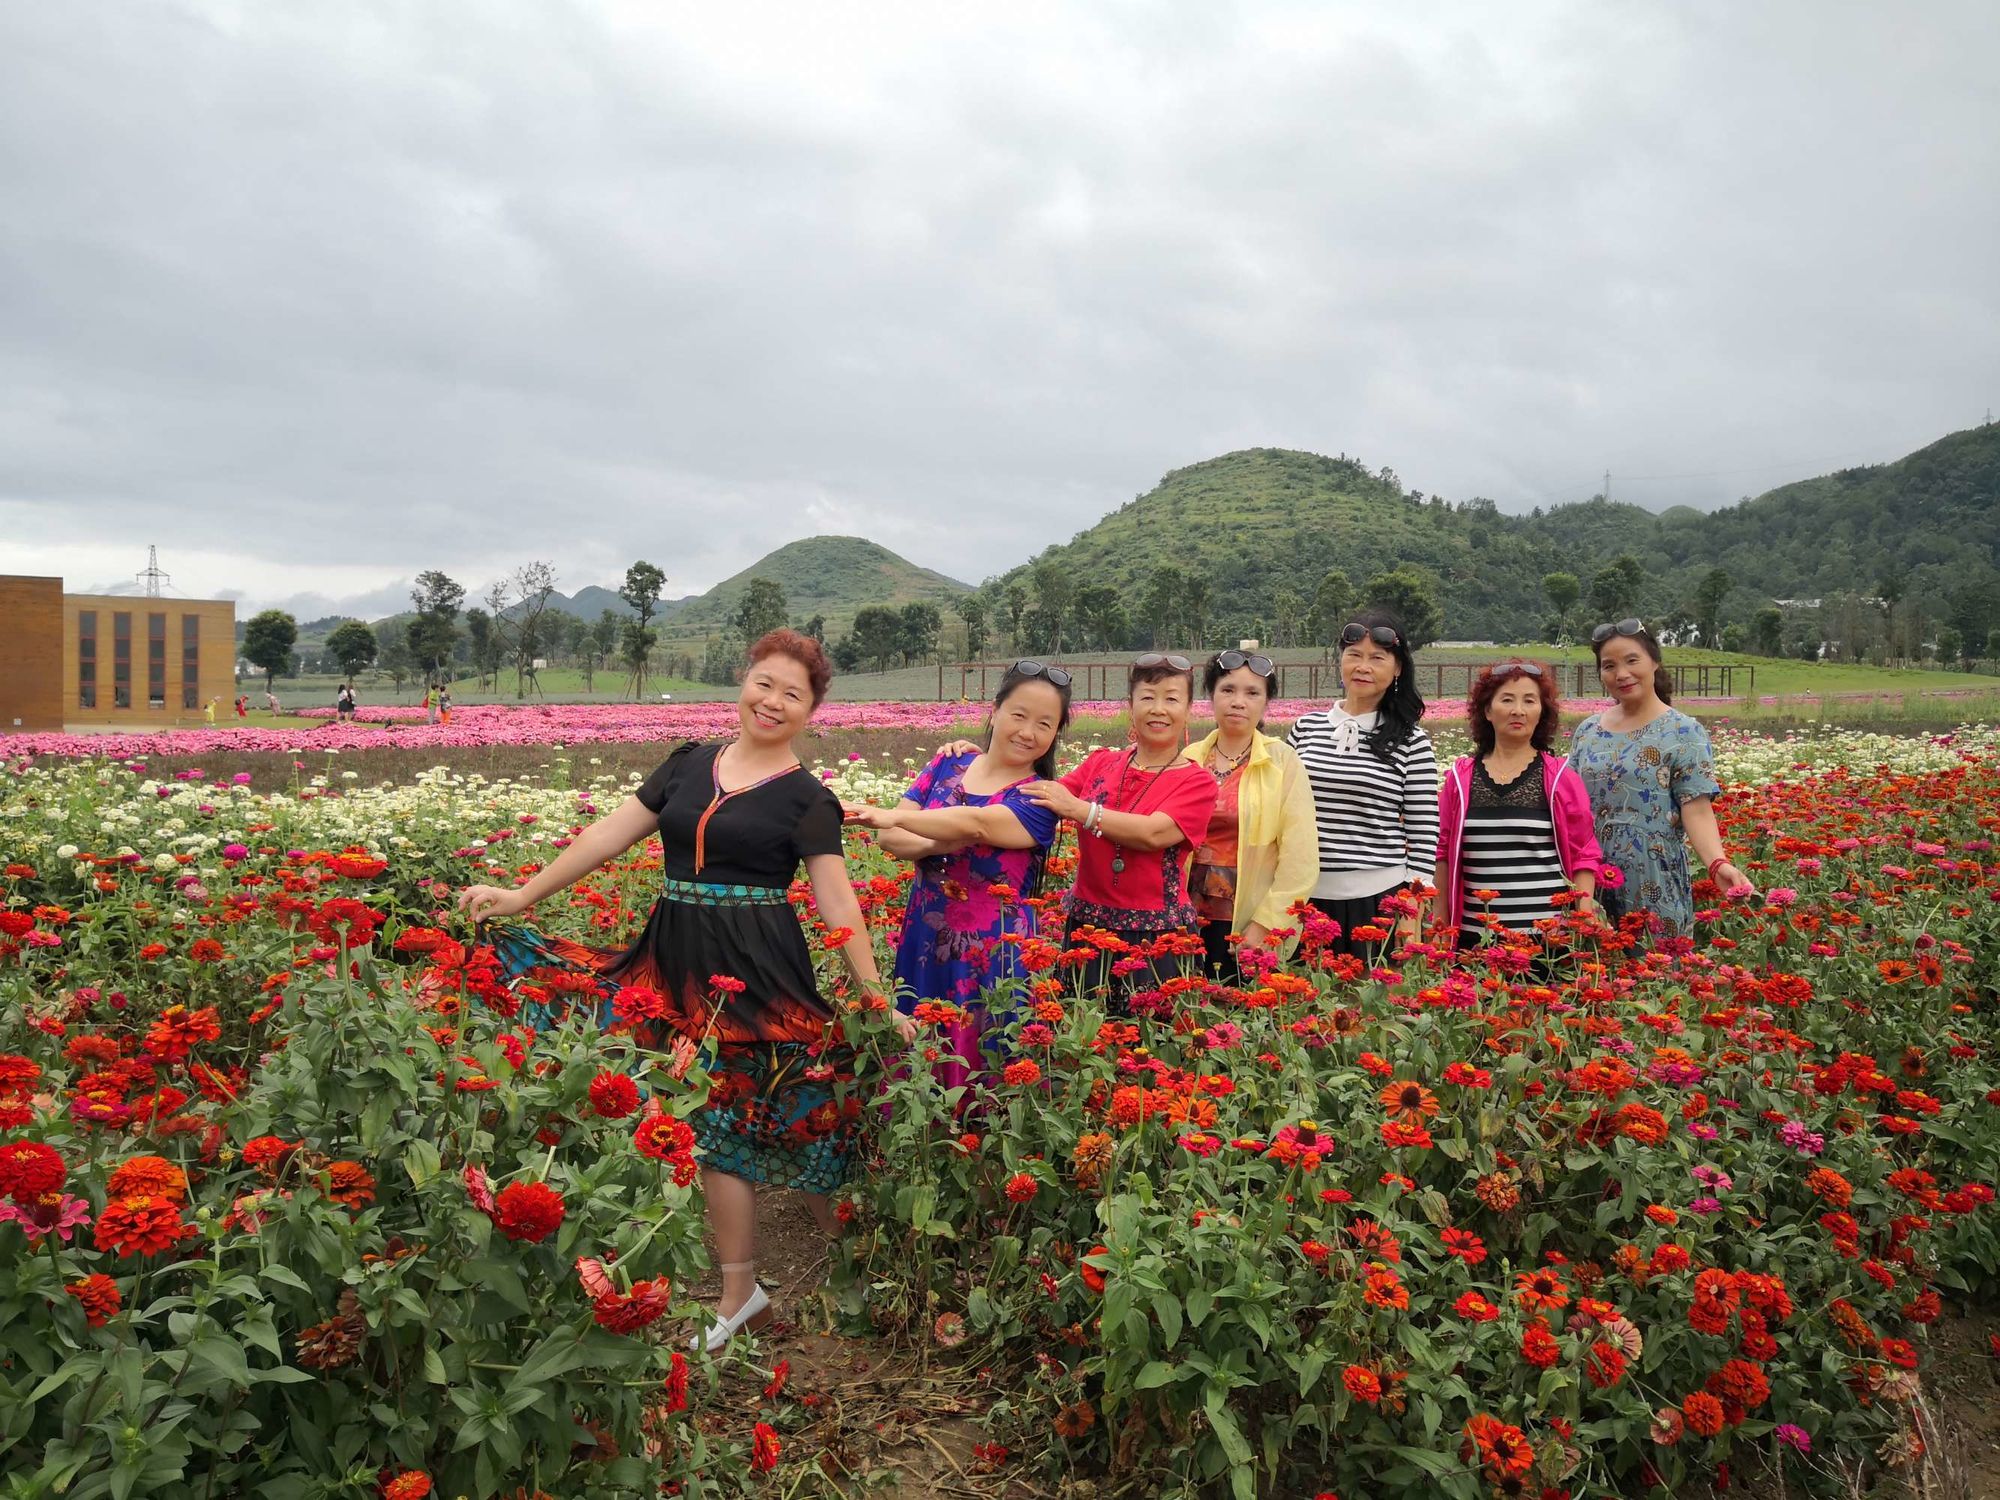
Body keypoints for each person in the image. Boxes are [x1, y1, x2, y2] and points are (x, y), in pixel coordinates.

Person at [456, 629, 901, 1352]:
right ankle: (741, 1292)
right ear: (743, 680)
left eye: (793, 693)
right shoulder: (689, 766)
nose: (772, 701)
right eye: (765, 682)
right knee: (715, 1127)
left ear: (812, 710)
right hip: (676, 957)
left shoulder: (808, 800)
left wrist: (874, 995)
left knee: (804, 1110)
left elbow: (837, 901)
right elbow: (607, 836)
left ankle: (864, 1266)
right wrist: (522, 895)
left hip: (761, 969)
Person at [842, 662, 1070, 1091]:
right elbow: (893, 840)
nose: (1027, 732)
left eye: (1045, 724)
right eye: (1018, 715)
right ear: (995, 711)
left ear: (1056, 733)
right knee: (921, 1062)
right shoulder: (950, 762)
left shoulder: (1039, 798)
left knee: (988, 1068)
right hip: (926, 942)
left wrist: (908, 820)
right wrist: (940, 840)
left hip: (993, 959)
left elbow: (979, 823)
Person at [1020, 653, 1219, 996]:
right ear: (1131, 706)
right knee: (1081, 1040)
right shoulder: (1101, 763)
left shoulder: (1197, 782)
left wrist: (1081, 810)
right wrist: (977, 762)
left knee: (1146, 1041)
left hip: (1157, 939)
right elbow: (1036, 796)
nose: (1158, 708)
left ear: (1188, 710)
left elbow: (1153, 833)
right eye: (1147, 697)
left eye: (1171, 698)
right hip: (1086, 930)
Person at [1568, 619, 1750, 938]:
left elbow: (1696, 809)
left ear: (1654, 661)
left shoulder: (1683, 732)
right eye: (1609, 665)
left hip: (1654, 882)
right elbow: (1568, 806)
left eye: (1631, 660)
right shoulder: (1588, 732)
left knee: (1655, 978)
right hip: (1588, 881)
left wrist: (1717, 864)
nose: (1621, 673)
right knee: (1592, 978)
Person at [1288, 612, 1439, 962]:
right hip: (1306, 898)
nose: (1363, 666)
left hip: (1379, 900)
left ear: (1398, 669)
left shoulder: (1411, 740)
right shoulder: (1305, 728)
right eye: (1354, 655)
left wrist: (1411, 908)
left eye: (1377, 658)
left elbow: (1423, 828)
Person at [1435, 661, 1605, 944]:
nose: (1518, 710)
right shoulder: (1460, 779)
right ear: (1487, 711)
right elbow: (1442, 851)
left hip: (1548, 944)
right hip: (1476, 941)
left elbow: (1583, 853)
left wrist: (1583, 919)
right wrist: (1439, 926)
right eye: (1507, 700)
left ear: (1542, 712)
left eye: (1529, 700)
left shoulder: (1560, 777)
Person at [1185, 648, 1318, 978]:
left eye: (1252, 693)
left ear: (1266, 702)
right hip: (1183, 920)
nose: (1238, 701)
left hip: (1246, 923)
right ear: (1211, 695)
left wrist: (1266, 924)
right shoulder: (1188, 759)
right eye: (1228, 690)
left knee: (1243, 1019)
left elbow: (1300, 858)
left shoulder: (1282, 762)